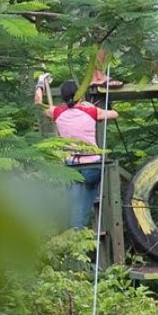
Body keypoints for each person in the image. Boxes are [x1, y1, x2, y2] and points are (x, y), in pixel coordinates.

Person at [36, 78, 118, 229]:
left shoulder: (58, 113)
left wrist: (40, 83)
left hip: (73, 167)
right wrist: (90, 106)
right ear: (79, 95)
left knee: (77, 212)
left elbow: (38, 103)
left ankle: (77, 234)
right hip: (93, 167)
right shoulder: (91, 111)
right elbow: (114, 114)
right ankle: (91, 199)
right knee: (85, 198)